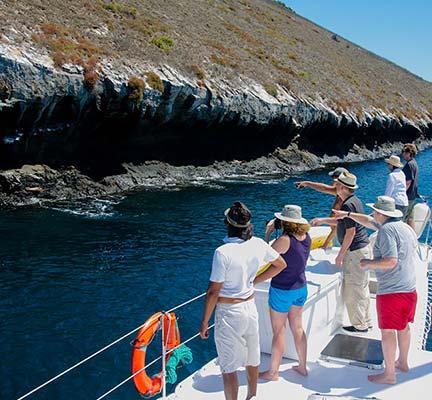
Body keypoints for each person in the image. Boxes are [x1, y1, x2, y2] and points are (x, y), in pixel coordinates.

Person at [199, 201, 286, 400]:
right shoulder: (257, 243)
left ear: (227, 223)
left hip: (229, 312)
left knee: (229, 367)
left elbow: (213, 291)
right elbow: (280, 264)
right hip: (249, 307)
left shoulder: (223, 252)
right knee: (252, 358)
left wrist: (204, 322)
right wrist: (255, 280)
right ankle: (252, 396)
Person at [333, 196, 418, 385]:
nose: (372, 214)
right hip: (409, 289)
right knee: (403, 327)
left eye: (374, 211)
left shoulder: (386, 231)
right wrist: (347, 214)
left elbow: (391, 261)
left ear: (380, 213)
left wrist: (368, 263)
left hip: (392, 292)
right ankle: (402, 363)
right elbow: (368, 221)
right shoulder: (405, 228)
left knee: (387, 332)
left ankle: (389, 375)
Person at [254, 205, 311, 380]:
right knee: (298, 328)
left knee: (279, 331)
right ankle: (302, 366)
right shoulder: (306, 236)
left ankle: (273, 372)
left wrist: (268, 233)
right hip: (300, 288)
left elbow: (263, 254)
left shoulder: (285, 240)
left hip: (282, 290)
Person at [311, 172, 372, 333]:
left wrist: (340, 254)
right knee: (362, 287)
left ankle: (360, 326)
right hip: (362, 249)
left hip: (355, 252)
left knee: (353, 289)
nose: (335, 187)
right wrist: (323, 220)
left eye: (337, 185)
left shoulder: (347, 205)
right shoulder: (354, 201)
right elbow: (341, 222)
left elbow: (350, 232)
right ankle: (366, 320)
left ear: (344, 188)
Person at [295, 167, 348, 249]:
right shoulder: (340, 192)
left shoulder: (344, 199)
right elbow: (324, 188)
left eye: (333, 178)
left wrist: (325, 244)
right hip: (337, 235)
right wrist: (307, 183)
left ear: (338, 180)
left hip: (340, 236)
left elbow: (339, 224)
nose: (332, 181)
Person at [401, 143, 419, 228]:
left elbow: (408, 181)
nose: (403, 154)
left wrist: (402, 193)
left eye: (404, 152)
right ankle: (413, 236)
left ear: (409, 153)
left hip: (407, 196)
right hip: (412, 195)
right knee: (411, 217)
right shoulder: (414, 163)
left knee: (403, 218)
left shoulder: (409, 165)